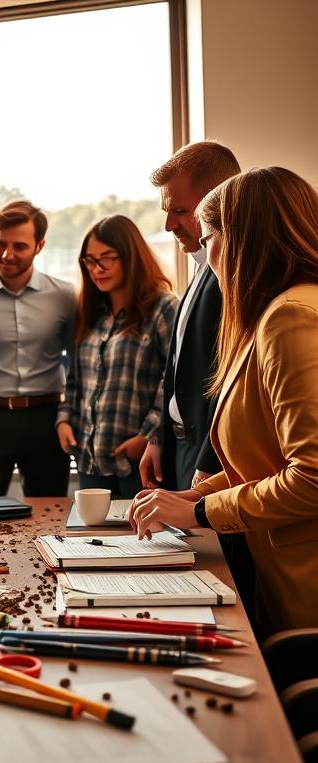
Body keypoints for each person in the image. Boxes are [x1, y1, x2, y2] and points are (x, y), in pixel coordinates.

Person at [129, 167, 318, 632]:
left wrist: (197, 511)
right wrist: (195, 493)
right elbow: (264, 461)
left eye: (209, 235)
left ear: (244, 238)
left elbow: (311, 477)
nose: (205, 249)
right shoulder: (275, 312)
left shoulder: (290, 317)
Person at [140, 141, 240, 493]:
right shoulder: (200, 266)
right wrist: (160, 440)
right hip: (181, 450)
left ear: (217, 202)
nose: (169, 225)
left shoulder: (235, 280)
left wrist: (208, 462)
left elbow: (232, 383)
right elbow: (182, 369)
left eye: (180, 211)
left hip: (210, 460)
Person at [55, 215, 178, 499]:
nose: (97, 269)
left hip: (141, 463)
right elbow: (74, 378)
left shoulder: (163, 308)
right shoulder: (88, 314)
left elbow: (173, 381)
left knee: (146, 542)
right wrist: (64, 420)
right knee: (90, 544)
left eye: (107, 258)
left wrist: (148, 435)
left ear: (130, 256)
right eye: (89, 260)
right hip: (90, 463)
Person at [0, 200, 76, 499]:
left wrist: (66, 414)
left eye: (20, 246)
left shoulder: (65, 296)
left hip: (46, 420)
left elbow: (78, 364)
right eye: (1, 244)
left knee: (50, 516)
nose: (7, 255)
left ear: (40, 246)